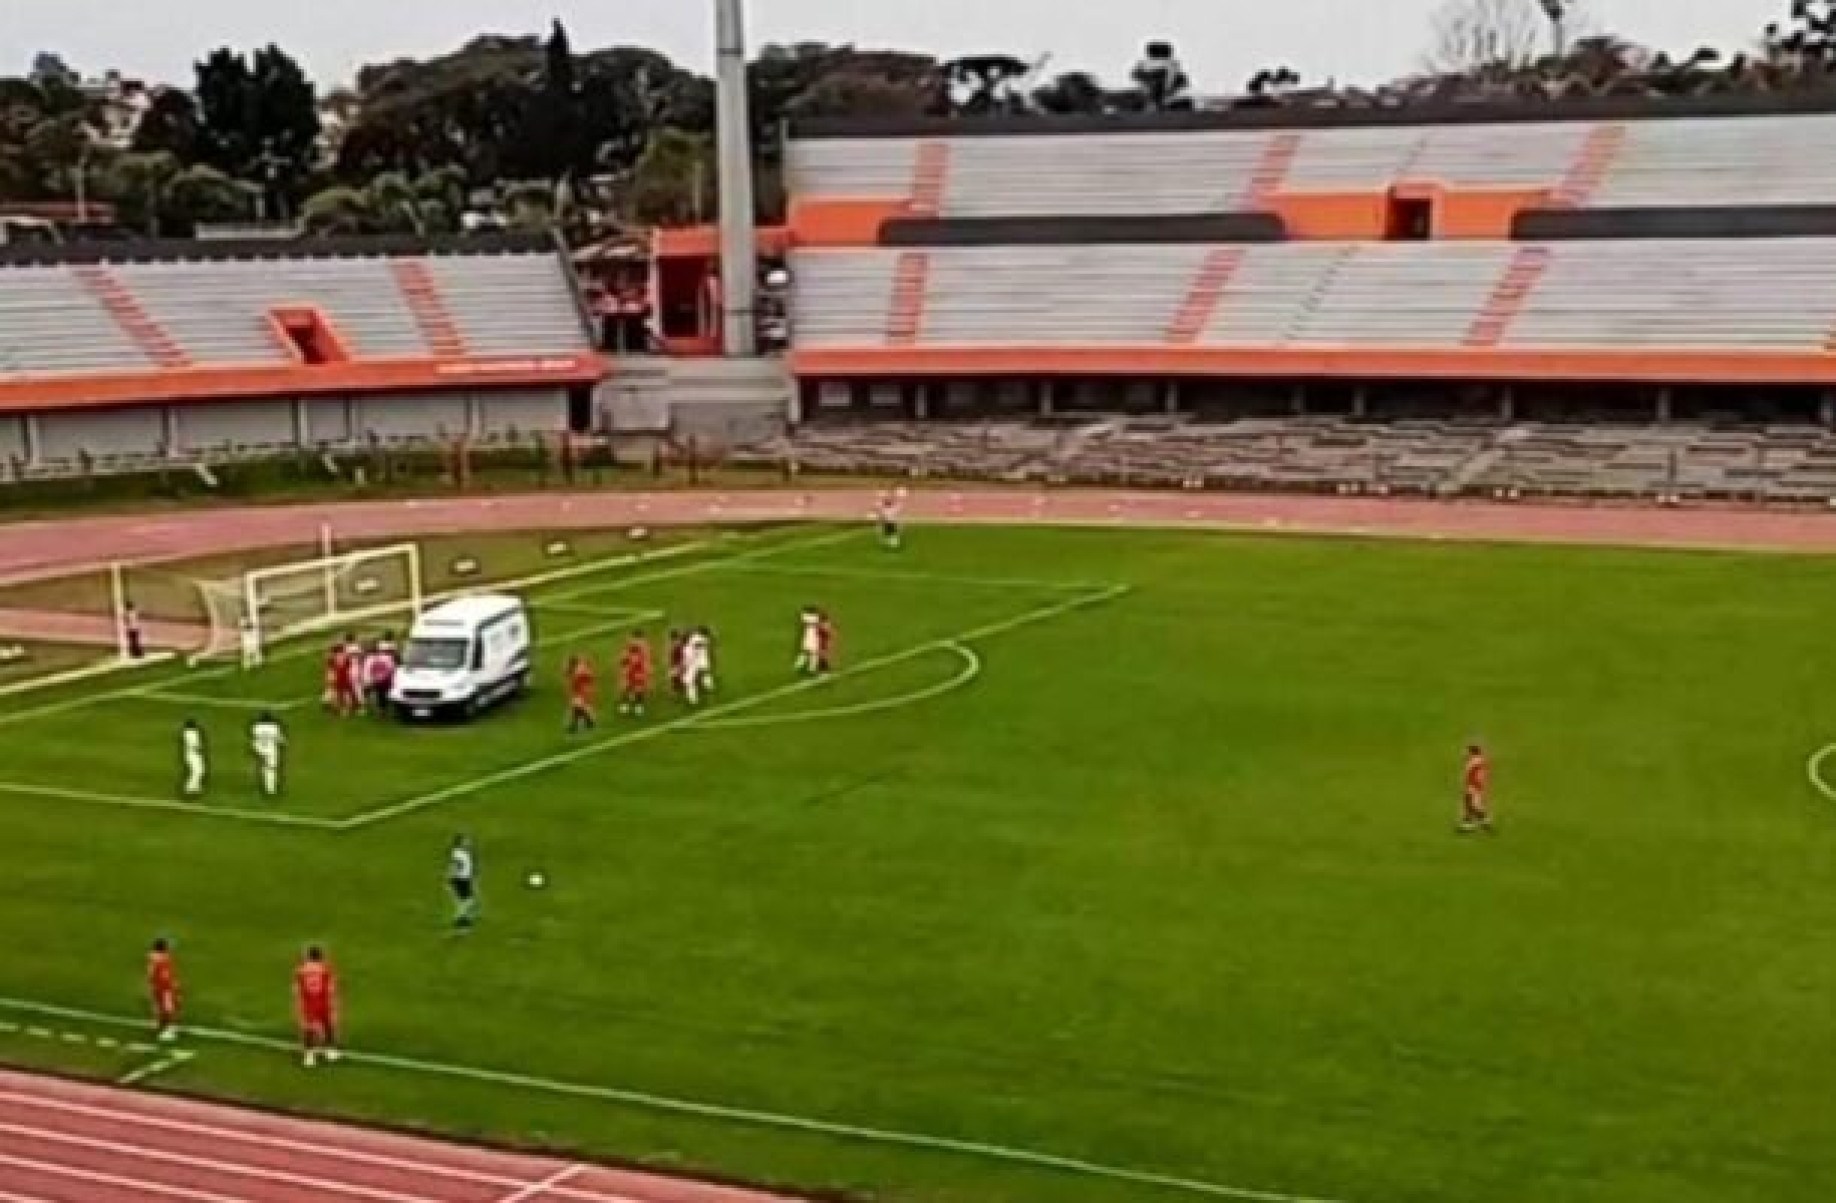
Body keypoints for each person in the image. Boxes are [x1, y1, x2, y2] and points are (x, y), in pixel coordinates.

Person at [294, 946, 340, 1067]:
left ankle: (309, 1056)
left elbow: (297, 990)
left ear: (309, 956)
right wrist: (333, 1004)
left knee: (308, 1028)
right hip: (323, 1001)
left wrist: (299, 1006)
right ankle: (330, 1051)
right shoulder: (325, 969)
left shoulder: (301, 970)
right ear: (320, 957)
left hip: (308, 1003)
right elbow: (331, 988)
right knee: (328, 1024)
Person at [147, 938, 179, 1043]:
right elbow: (165, 976)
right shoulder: (163, 959)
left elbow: (151, 974)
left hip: (159, 986)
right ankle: (168, 1027)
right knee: (167, 1008)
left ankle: (169, 1028)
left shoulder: (154, 957)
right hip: (164, 987)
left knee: (161, 1006)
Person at [250, 711, 285, 798]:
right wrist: (283, 742)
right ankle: (270, 789)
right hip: (270, 750)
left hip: (259, 749)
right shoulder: (274, 727)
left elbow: (254, 737)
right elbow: (279, 739)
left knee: (265, 767)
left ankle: (266, 783)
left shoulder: (256, 726)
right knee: (271, 769)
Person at [1459, 743, 1493, 833]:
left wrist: (1471, 787)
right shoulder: (1479, 760)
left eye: (1467, 751)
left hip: (1474, 786)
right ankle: (1468, 825)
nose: (1465, 753)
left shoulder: (1474, 762)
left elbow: (1472, 776)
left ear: (1472, 752)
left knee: (1474, 805)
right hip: (1475, 786)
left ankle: (1484, 823)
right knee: (1470, 805)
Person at [448, 834, 478, 929]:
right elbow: (455, 865)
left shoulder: (463, 852)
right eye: (466, 840)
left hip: (464, 878)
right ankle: (459, 918)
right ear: (460, 842)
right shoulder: (458, 853)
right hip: (460, 879)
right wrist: (451, 877)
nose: (468, 842)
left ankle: (463, 919)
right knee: (469, 900)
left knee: (465, 901)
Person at [619, 633, 652, 717]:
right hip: (634, 674)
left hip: (635, 674)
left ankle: (631, 706)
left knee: (633, 689)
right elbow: (623, 662)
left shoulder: (635, 654)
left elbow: (623, 662)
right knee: (631, 689)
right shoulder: (639, 654)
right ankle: (632, 706)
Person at [363, 639, 397, 715]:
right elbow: (392, 668)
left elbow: (368, 669)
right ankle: (383, 709)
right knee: (383, 694)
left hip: (378, 679)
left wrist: (369, 678)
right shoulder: (387, 657)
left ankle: (381, 709)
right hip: (385, 679)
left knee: (380, 694)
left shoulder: (370, 658)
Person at [683, 628, 715, 706]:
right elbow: (700, 644)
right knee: (705, 674)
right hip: (700, 660)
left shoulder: (689, 645)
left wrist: (685, 665)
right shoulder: (701, 639)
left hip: (695, 662)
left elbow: (697, 645)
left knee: (690, 682)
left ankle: (693, 699)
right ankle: (709, 687)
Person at [566, 655, 597, 733]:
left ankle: (587, 722)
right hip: (582, 690)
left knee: (579, 706)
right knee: (578, 707)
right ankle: (582, 723)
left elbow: (588, 677)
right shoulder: (579, 668)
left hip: (583, 691)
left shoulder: (579, 671)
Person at [180, 718, 206, 798]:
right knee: (197, 771)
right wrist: (200, 748)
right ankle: (188, 788)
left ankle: (196, 787)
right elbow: (194, 745)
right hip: (193, 754)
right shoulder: (190, 734)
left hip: (194, 754)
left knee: (201, 770)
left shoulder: (190, 732)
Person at [794, 607, 822, 676]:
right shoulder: (815, 617)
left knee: (805, 652)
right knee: (814, 653)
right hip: (813, 637)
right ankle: (811, 669)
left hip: (806, 636)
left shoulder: (805, 616)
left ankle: (798, 665)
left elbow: (802, 618)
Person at [667, 629, 686, 698]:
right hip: (681, 663)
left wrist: (671, 665)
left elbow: (672, 656)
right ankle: (679, 689)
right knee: (679, 677)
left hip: (677, 664)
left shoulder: (674, 645)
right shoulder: (680, 643)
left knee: (675, 678)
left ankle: (675, 692)